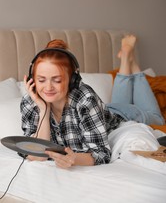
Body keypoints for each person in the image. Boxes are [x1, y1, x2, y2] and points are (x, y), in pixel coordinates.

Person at [21, 35, 165, 169]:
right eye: (41, 80)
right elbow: (37, 155)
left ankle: (131, 63)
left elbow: (102, 154)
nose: (48, 87)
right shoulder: (31, 102)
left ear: (72, 80)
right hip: (102, 113)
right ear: (32, 80)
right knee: (115, 104)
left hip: (125, 115)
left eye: (57, 80)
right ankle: (127, 59)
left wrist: (74, 159)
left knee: (157, 119)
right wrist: (43, 110)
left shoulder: (86, 98)